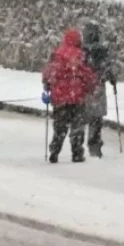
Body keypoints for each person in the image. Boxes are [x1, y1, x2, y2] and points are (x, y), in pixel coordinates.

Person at [42, 28, 97, 163]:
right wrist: (90, 88)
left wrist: (47, 85)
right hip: (77, 97)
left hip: (60, 97)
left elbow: (49, 72)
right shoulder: (81, 55)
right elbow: (87, 75)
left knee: (60, 126)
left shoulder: (57, 54)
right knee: (77, 126)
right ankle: (77, 152)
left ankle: (55, 150)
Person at [81, 20, 117, 157]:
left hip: (84, 88)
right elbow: (107, 68)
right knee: (96, 118)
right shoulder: (101, 51)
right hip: (98, 87)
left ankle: (78, 143)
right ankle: (94, 144)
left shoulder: (82, 50)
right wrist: (111, 79)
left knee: (84, 116)